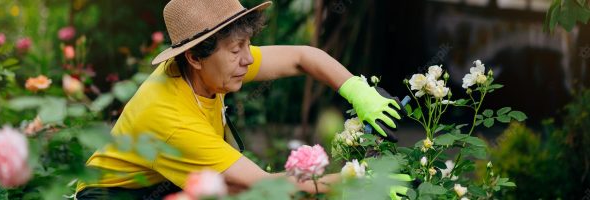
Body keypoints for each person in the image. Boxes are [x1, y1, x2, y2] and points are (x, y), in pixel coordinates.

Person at [75, 0, 403, 199]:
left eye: (247, 44)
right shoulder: (172, 118)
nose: (247, 59)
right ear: (194, 57)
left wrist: (358, 90)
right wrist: (361, 180)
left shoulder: (212, 69)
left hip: (162, 181)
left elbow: (302, 56)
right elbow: (267, 187)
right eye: (236, 49)